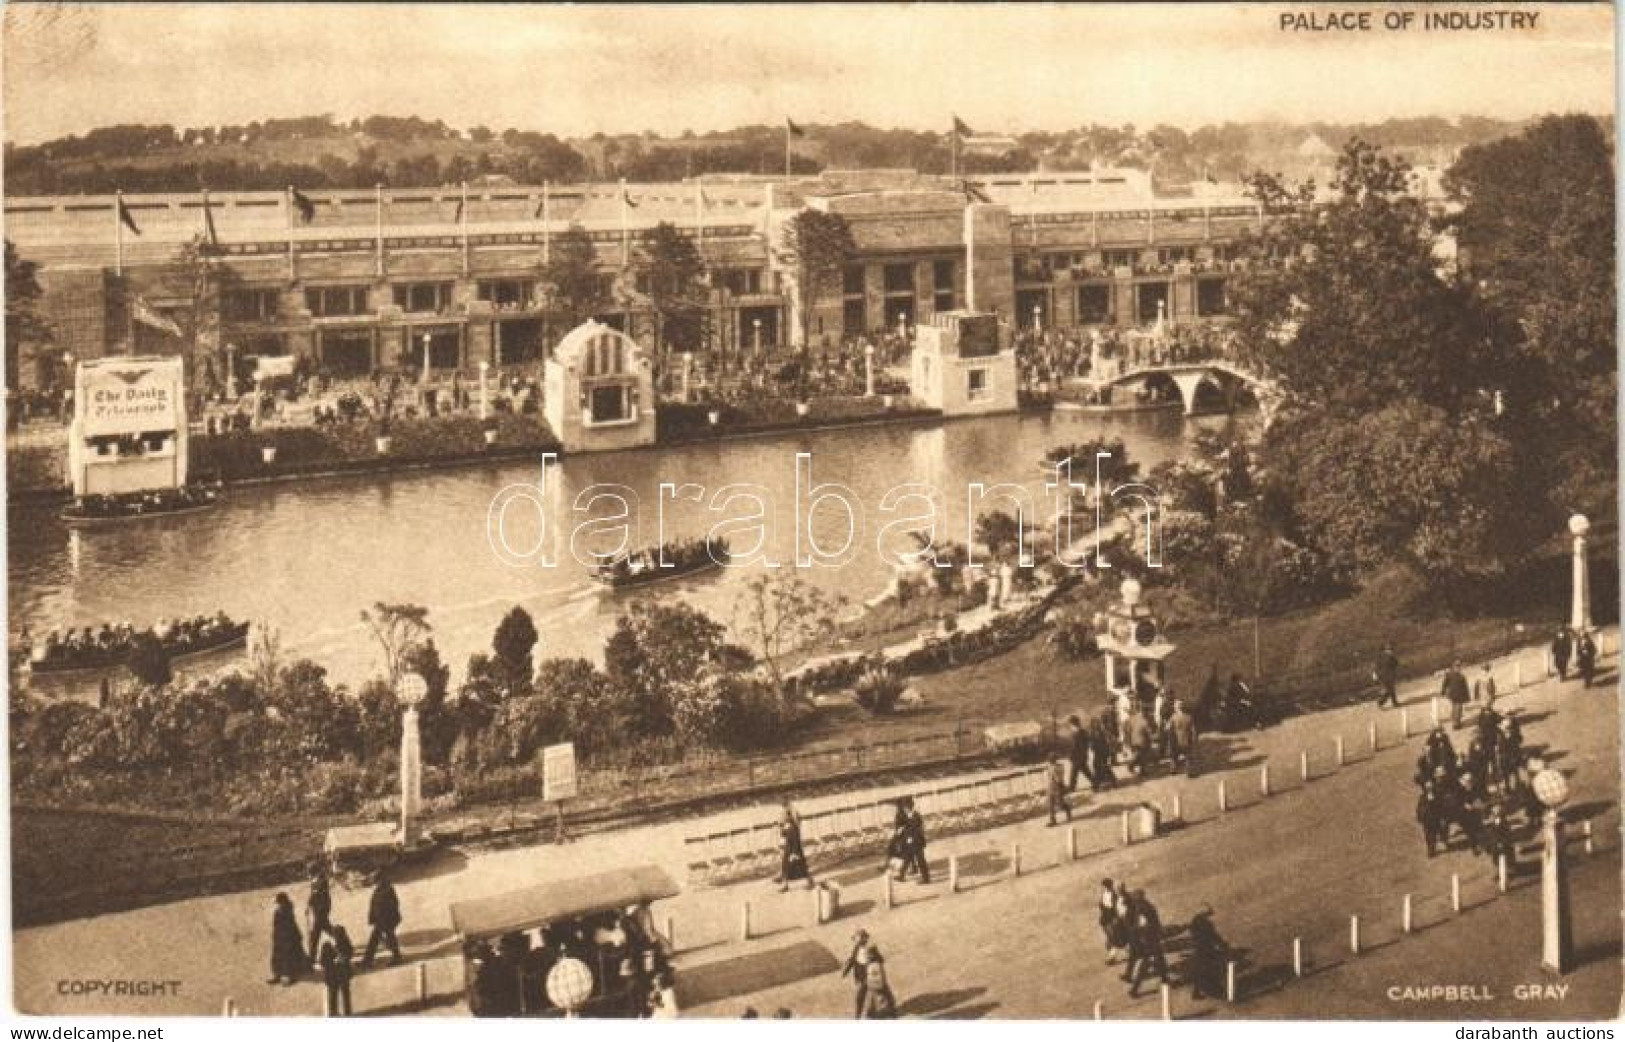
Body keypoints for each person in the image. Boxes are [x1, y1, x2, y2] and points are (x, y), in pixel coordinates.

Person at [1123, 890, 1169, 997]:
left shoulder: (1140, 908)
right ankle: (1134, 990)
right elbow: (1147, 924)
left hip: (1148, 939)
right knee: (1148, 963)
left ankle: (1165, 979)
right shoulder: (1145, 908)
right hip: (1150, 939)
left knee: (1159, 958)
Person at [1186, 905, 1230, 1000]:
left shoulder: (1195, 921)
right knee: (1211, 968)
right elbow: (1214, 936)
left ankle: (1196, 993)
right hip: (1206, 949)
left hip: (1199, 949)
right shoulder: (1206, 924)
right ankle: (1218, 990)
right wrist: (1223, 945)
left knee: (1199, 970)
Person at [363, 872, 403, 968]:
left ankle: (396, 957)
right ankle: (367, 960)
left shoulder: (387, 889)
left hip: (387, 919)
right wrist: (373, 917)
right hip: (381, 919)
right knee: (378, 938)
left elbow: (394, 904)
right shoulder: (380, 888)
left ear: (380, 880)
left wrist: (386, 917)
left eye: (375, 880)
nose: (374, 883)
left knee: (386, 938)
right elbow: (374, 905)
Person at [776, 801, 815, 892]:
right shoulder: (790, 826)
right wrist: (782, 829)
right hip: (790, 848)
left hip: (793, 850)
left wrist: (794, 853)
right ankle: (786, 884)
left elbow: (796, 841)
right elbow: (784, 835)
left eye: (784, 816)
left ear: (788, 817)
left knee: (800, 867)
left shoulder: (793, 827)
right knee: (788, 866)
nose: (782, 818)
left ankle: (809, 881)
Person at [268, 892, 305, 986]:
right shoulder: (279, 910)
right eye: (278, 903)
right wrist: (275, 935)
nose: (279, 904)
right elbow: (275, 924)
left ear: (284, 901)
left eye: (280, 902)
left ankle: (292, 976)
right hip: (279, 936)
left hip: (289, 936)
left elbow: (290, 925)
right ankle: (277, 975)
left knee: (290, 957)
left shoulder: (288, 909)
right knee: (277, 956)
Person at [319, 926, 355, 1016]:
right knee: (344, 994)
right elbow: (350, 953)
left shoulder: (327, 945)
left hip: (332, 976)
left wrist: (331, 962)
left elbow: (322, 961)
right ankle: (347, 1012)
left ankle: (334, 1013)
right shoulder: (345, 943)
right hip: (342, 975)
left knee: (333, 995)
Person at [306, 866, 335, 964]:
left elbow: (317, 895)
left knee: (315, 935)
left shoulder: (321, 880)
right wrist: (309, 906)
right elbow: (312, 895)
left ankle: (312, 958)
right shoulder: (315, 880)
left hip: (321, 909)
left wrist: (311, 904)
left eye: (309, 871)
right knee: (327, 929)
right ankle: (342, 941)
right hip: (318, 909)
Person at [859, 947, 898, 1019]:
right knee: (875, 1000)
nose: (866, 956)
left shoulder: (876, 965)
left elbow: (879, 976)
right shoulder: (872, 964)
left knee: (881, 999)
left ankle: (886, 1012)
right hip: (874, 984)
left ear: (872, 955)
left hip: (877, 985)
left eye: (868, 955)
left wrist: (877, 984)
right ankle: (872, 1013)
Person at [840, 930, 871, 1018]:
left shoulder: (870, 949)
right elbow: (852, 960)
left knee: (868, 995)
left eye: (859, 939)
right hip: (860, 976)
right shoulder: (856, 948)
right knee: (860, 997)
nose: (857, 942)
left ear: (865, 939)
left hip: (868, 976)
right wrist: (846, 971)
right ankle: (858, 1016)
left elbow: (879, 960)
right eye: (856, 940)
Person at [1166, 699, 1197, 776]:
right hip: (1186, 741)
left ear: (1176, 707)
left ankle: (1173, 769)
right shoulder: (1189, 717)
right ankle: (1189, 771)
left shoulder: (1173, 717)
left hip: (1176, 741)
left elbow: (1168, 728)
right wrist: (1193, 740)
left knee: (1174, 755)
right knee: (1188, 757)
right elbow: (1193, 731)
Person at [903, 800, 931, 883]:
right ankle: (924, 877)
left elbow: (917, 830)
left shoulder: (915, 816)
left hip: (917, 842)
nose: (904, 810)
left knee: (921, 860)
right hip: (914, 842)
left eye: (905, 808)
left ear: (908, 808)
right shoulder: (911, 816)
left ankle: (926, 879)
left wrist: (911, 838)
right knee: (918, 860)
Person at [1440, 661, 1470, 729]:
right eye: (1457, 667)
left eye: (1459, 667)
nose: (1458, 668)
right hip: (1453, 695)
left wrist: (1467, 697)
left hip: (1458, 695)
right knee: (1457, 708)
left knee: (1457, 708)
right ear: (1453, 667)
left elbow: (1465, 687)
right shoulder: (1450, 675)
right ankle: (1456, 724)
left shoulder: (1462, 676)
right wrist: (1443, 692)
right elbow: (1445, 684)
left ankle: (1456, 722)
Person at [1067, 715, 1092, 791]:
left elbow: (1074, 747)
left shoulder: (1076, 733)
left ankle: (1071, 787)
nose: (1070, 726)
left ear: (1072, 724)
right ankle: (1095, 782)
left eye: (1070, 724)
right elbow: (1087, 743)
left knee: (1074, 773)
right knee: (1085, 771)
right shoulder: (1083, 732)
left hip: (1077, 757)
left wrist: (1071, 756)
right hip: (1082, 755)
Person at [1046, 759, 1072, 826]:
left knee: (1059, 804)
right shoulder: (1051, 767)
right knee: (1050, 804)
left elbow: (1058, 780)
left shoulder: (1058, 767)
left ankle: (1067, 810)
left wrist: (1062, 787)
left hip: (1057, 787)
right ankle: (1053, 820)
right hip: (1051, 787)